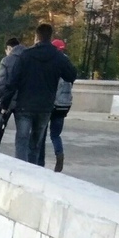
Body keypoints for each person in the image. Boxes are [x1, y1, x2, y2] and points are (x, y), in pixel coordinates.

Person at [0, 23, 77, 165]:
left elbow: (12, 82)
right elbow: (71, 75)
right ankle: (33, 172)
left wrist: (4, 105)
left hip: (24, 106)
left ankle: (21, 172)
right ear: (50, 37)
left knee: (22, 141)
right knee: (35, 145)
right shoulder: (57, 56)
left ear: (36, 37)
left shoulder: (26, 55)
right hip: (45, 107)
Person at [38, 38, 75, 172]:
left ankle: (39, 161)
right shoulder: (68, 64)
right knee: (55, 135)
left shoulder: (54, 62)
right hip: (64, 106)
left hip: (52, 104)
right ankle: (59, 157)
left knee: (41, 133)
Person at [0, 37, 26, 151]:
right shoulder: (28, 58)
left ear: (9, 48)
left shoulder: (6, 61)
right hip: (23, 102)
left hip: (6, 102)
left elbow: (0, 87)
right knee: (22, 135)